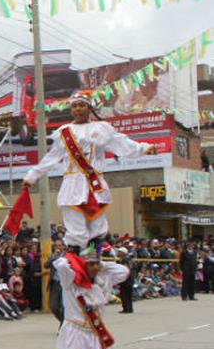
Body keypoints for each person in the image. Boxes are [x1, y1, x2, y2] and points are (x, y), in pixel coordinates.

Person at [22, 90, 155, 250]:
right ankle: (76, 258)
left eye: (82, 105)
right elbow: (52, 157)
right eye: (75, 106)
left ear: (89, 108)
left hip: (95, 184)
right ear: (71, 110)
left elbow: (121, 143)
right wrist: (32, 176)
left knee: (97, 228)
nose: (78, 109)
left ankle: (94, 260)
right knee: (76, 229)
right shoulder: (63, 132)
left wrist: (143, 148)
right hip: (72, 185)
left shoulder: (102, 129)